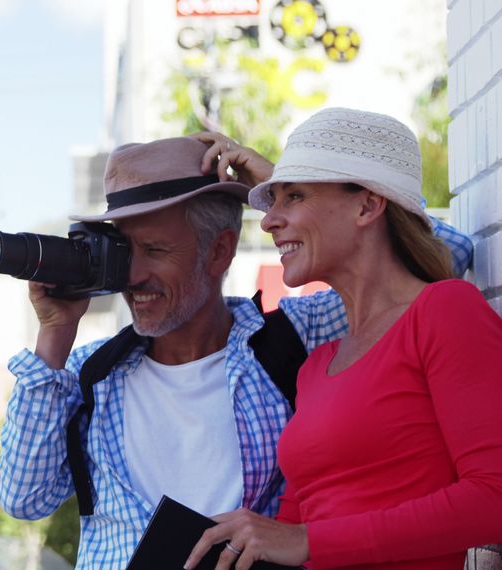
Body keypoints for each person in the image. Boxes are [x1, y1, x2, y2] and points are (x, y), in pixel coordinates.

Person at [0, 133, 474, 568]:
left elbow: (442, 256)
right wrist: (55, 336)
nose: (133, 274)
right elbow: (24, 498)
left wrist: (278, 186)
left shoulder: (301, 336)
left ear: (220, 250)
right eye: (124, 251)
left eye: (156, 250)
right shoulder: (88, 372)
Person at [184, 108, 502, 570]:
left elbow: (494, 499)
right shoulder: (318, 364)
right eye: (274, 200)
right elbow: (295, 531)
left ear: (368, 206)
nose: (269, 221)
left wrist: (309, 540)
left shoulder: (445, 312)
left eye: (293, 196)